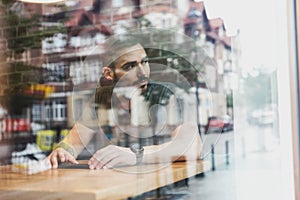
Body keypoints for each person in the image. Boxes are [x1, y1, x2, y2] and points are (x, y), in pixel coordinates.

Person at [46, 34, 203, 170]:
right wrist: (63, 151)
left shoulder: (164, 94)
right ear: (109, 74)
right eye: (130, 66)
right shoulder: (101, 101)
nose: (142, 72)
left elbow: (192, 146)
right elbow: (72, 143)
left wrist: (136, 154)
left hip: (163, 191)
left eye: (144, 62)